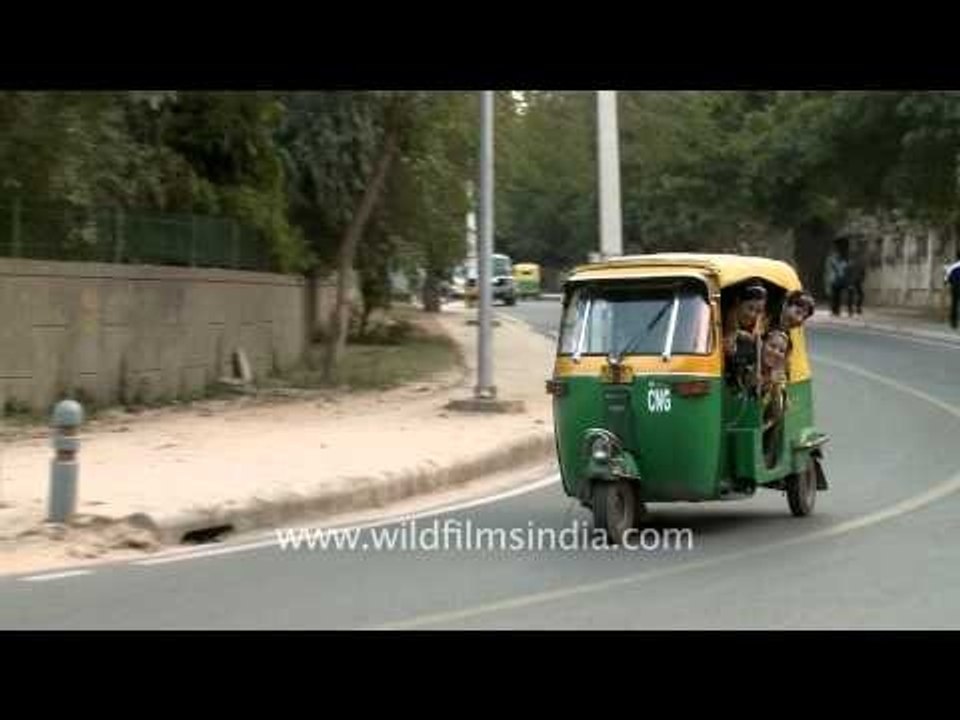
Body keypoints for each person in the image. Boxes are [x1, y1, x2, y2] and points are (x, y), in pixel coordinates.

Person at [824, 245, 848, 317]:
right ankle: (834, 310)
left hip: (838, 281)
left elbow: (845, 270)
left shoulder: (841, 262)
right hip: (835, 281)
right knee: (835, 296)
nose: (836, 256)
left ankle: (836, 310)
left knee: (837, 297)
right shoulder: (838, 262)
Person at [846, 247, 866, 316]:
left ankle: (857, 308)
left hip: (857, 281)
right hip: (851, 281)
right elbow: (847, 273)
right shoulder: (850, 264)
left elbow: (863, 272)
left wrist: (862, 278)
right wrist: (849, 283)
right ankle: (850, 310)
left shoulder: (858, 264)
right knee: (851, 296)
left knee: (860, 295)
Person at [945, 251, 960, 329]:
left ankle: (954, 322)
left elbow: (947, 279)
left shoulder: (953, 266)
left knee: (954, 304)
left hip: (955, 287)